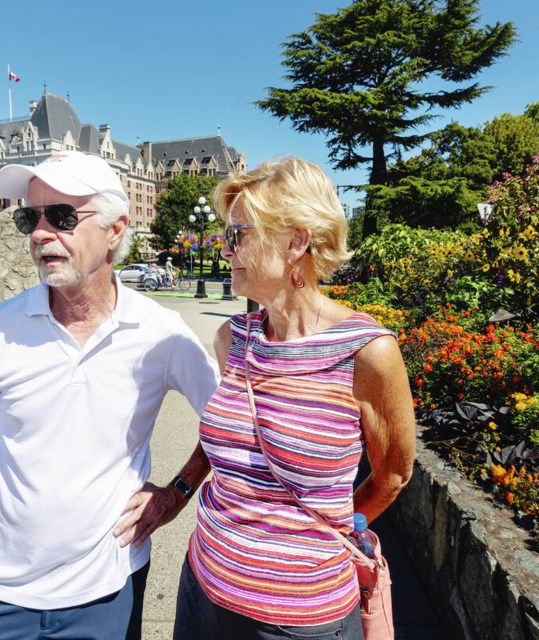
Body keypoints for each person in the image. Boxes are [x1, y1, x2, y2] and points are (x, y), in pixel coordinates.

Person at [0, 151, 220, 640]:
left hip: (108, 586)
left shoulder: (161, 331)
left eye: (64, 216)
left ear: (115, 230)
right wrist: (48, 484)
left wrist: (176, 494)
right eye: (30, 217)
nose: (40, 233)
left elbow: (228, 425)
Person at [173, 156, 417, 639]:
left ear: (297, 241)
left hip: (300, 615)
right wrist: (178, 491)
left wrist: (320, 537)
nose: (226, 251)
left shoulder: (368, 353)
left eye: (238, 234)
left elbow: (392, 474)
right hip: (203, 585)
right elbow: (235, 436)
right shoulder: (233, 338)